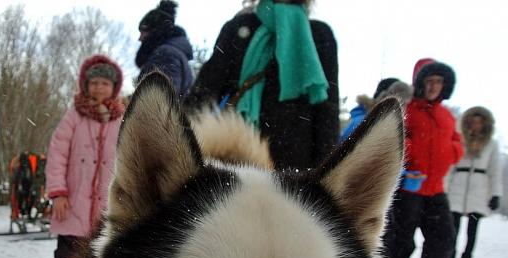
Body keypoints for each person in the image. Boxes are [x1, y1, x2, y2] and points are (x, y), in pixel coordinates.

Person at [183, 0, 339, 171]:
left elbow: (327, 113)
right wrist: (177, 140)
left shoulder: (320, 35)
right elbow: (203, 94)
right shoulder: (238, 28)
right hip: (238, 156)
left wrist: (326, 171)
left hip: (294, 170)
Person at [45, 54, 125, 258]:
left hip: (107, 204)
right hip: (73, 200)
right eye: (94, 82)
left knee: (100, 256)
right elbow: (57, 155)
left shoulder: (122, 121)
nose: (99, 88)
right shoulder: (73, 117)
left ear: (114, 87)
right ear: (85, 84)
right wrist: (58, 193)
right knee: (67, 256)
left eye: (105, 83)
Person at [386, 58, 463, 258]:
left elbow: (456, 142)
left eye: (439, 82)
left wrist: (452, 153)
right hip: (409, 187)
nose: (434, 87)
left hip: (436, 188)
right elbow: (396, 137)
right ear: (419, 83)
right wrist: (411, 155)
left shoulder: (447, 115)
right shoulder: (406, 108)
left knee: (443, 237)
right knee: (402, 240)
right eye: (429, 81)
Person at [339, 77, 413, 258]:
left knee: (388, 239)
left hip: (385, 192)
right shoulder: (362, 121)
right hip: (359, 195)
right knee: (378, 239)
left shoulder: (376, 121)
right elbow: (346, 157)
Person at [444, 106, 502, 258]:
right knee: (452, 233)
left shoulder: (491, 144)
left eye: (480, 122)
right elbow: (450, 168)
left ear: (486, 124)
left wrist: (495, 194)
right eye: (473, 121)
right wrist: (444, 190)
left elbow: (495, 170)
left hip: (479, 192)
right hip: (457, 190)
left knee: (471, 235)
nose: (477, 125)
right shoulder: (459, 141)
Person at [136, 1, 194, 101]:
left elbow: (159, 102)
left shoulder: (165, 55)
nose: (140, 39)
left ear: (155, 31)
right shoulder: (176, 53)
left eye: (143, 32)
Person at [340, 77, 412, 142]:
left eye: (404, 104)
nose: (402, 109)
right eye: (398, 104)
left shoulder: (388, 126)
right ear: (384, 100)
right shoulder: (364, 122)